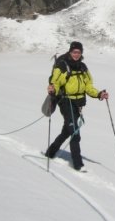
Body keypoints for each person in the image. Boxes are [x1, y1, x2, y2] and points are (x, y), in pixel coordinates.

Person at [45, 41, 109, 171]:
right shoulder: (62, 66)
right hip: (65, 101)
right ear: (70, 52)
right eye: (74, 52)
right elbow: (56, 83)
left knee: (66, 131)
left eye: (79, 52)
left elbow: (88, 86)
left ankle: (50, 152)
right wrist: (53, 89)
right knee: (75, 133)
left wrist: (99, 94)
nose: (76, 54)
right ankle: (78, 164)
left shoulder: (83, 67)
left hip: (78, 104)